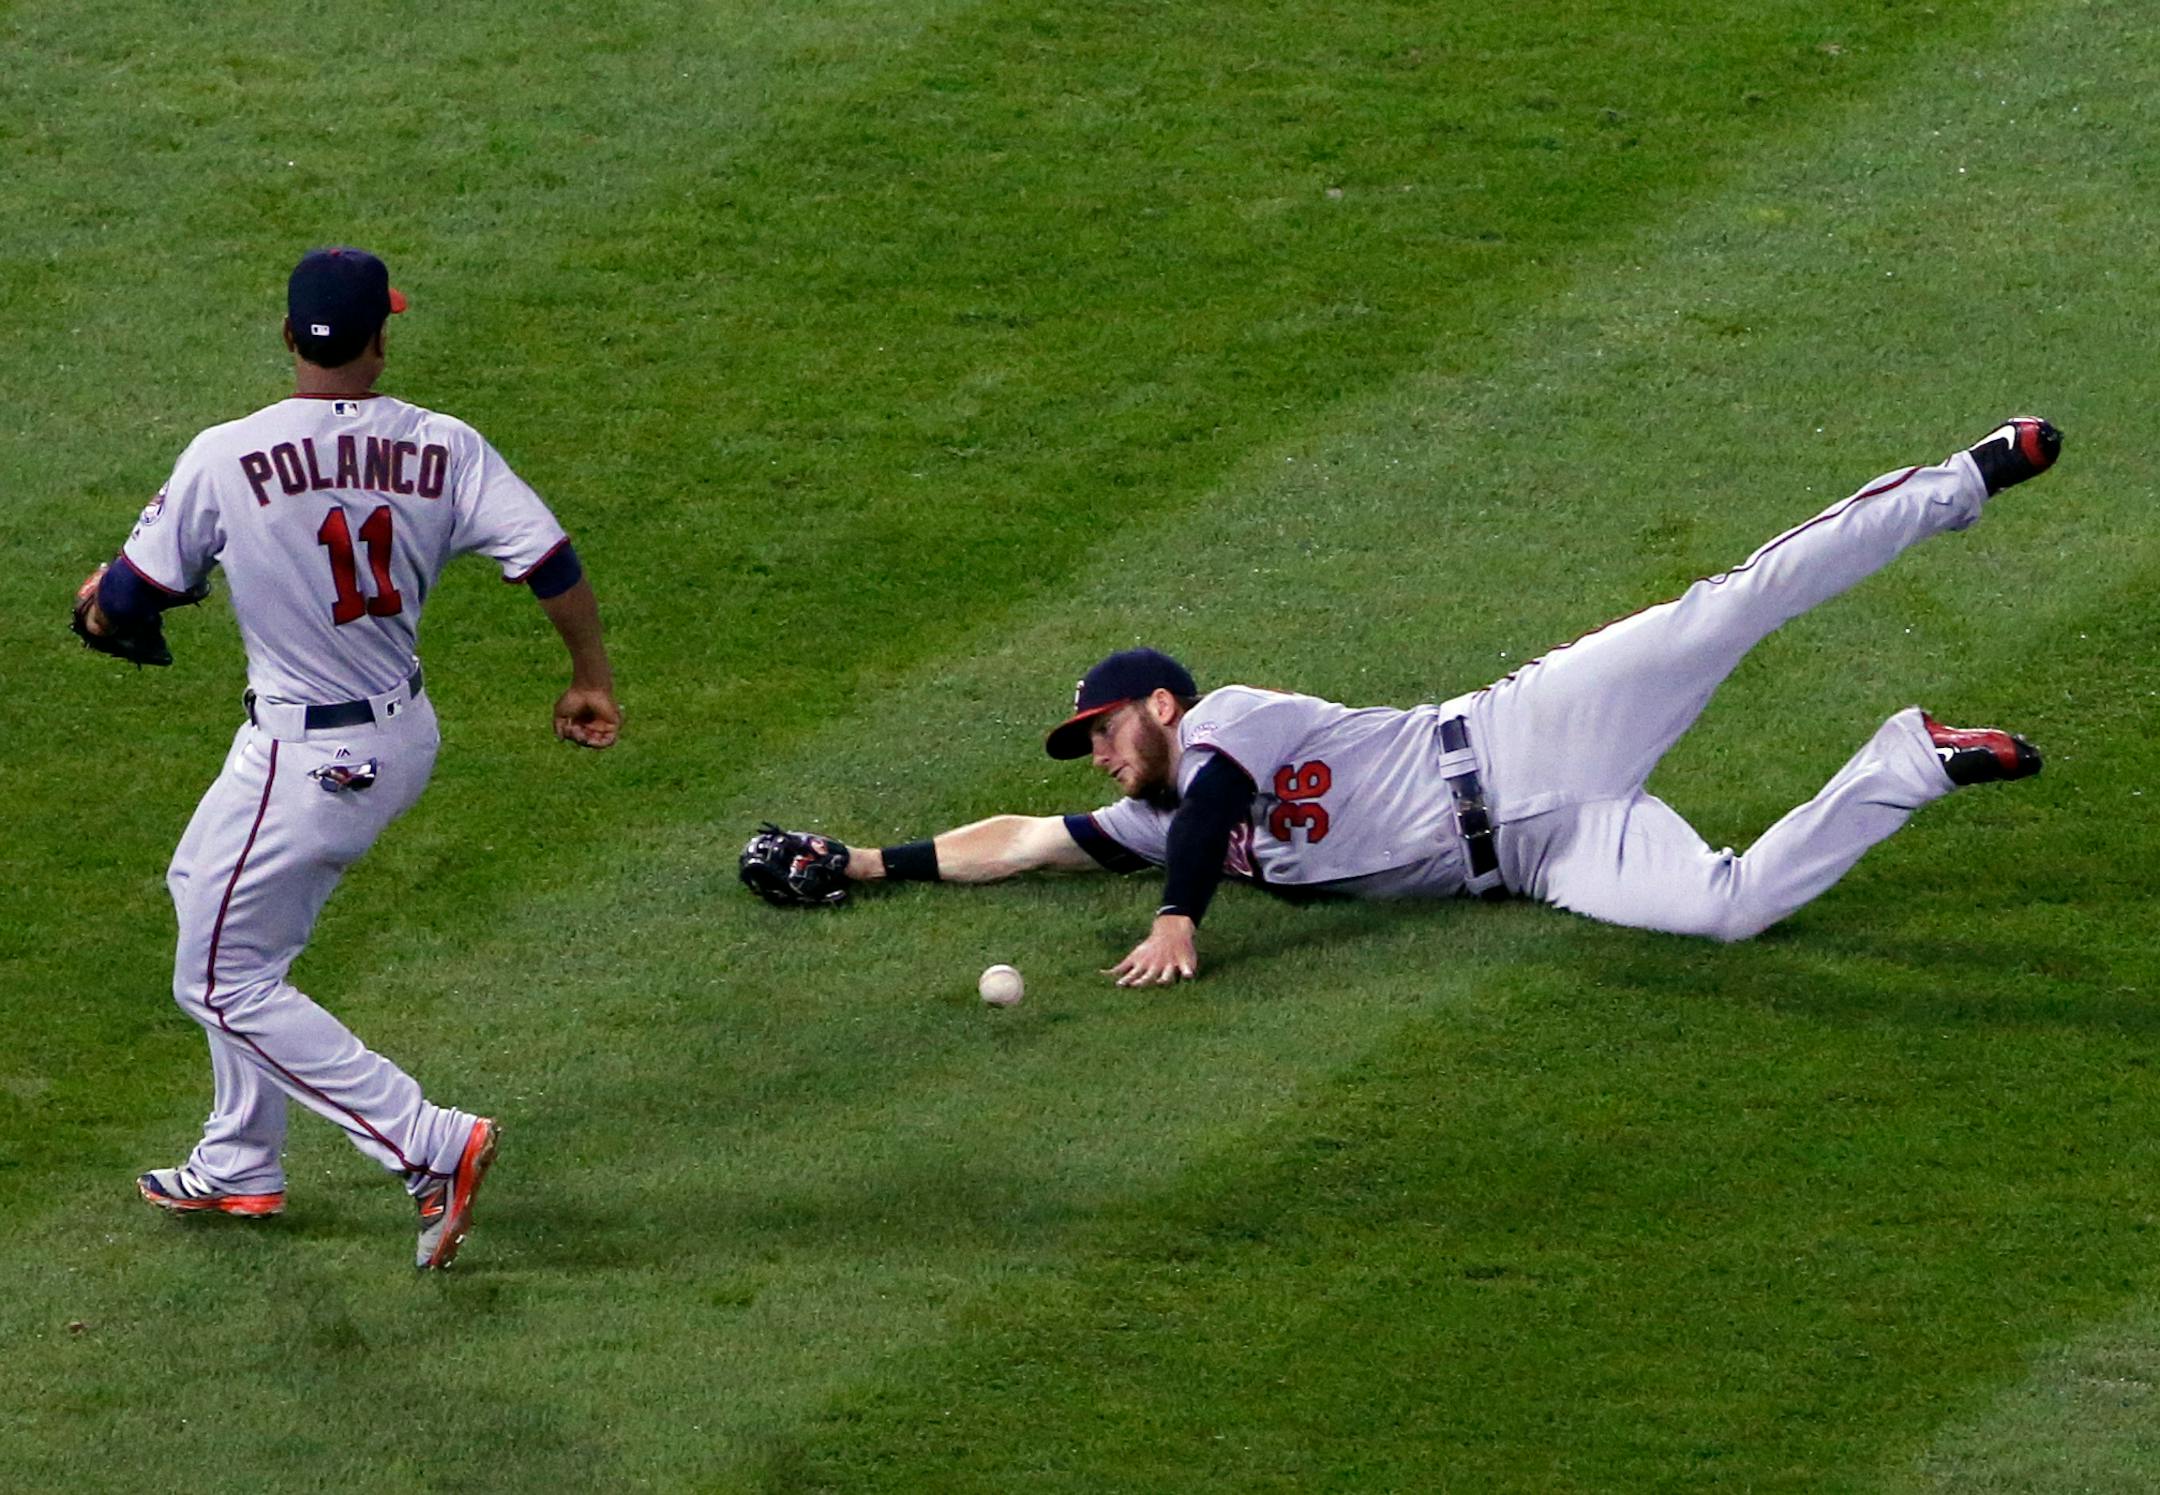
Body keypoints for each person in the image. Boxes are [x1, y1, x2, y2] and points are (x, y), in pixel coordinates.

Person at [743, 419, 2058, 986]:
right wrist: (863, 858)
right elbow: (1022, 838)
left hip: (1527, 731)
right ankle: (1915, 761)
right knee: (1730, 907)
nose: (1093, 757)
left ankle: (1967, 476)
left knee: (1728, 607)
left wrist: (1180, 918)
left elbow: (1206, 813)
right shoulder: (1162, 813)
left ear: (1153, 705)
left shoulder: (1226, 729)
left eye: (1097, 730)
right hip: (1541, 857)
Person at [73, 247, 621, 1267]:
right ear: (380, 339)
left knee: (222, 978)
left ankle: (427, 1141)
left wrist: (99, 601)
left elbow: (126, 602)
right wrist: (588, 672)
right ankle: (241, 1160)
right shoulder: (443, 447)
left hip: (309, 756)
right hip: (389, 735)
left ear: (289, 338)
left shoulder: (225, 454)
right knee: (202, 888)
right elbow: (550, 561)